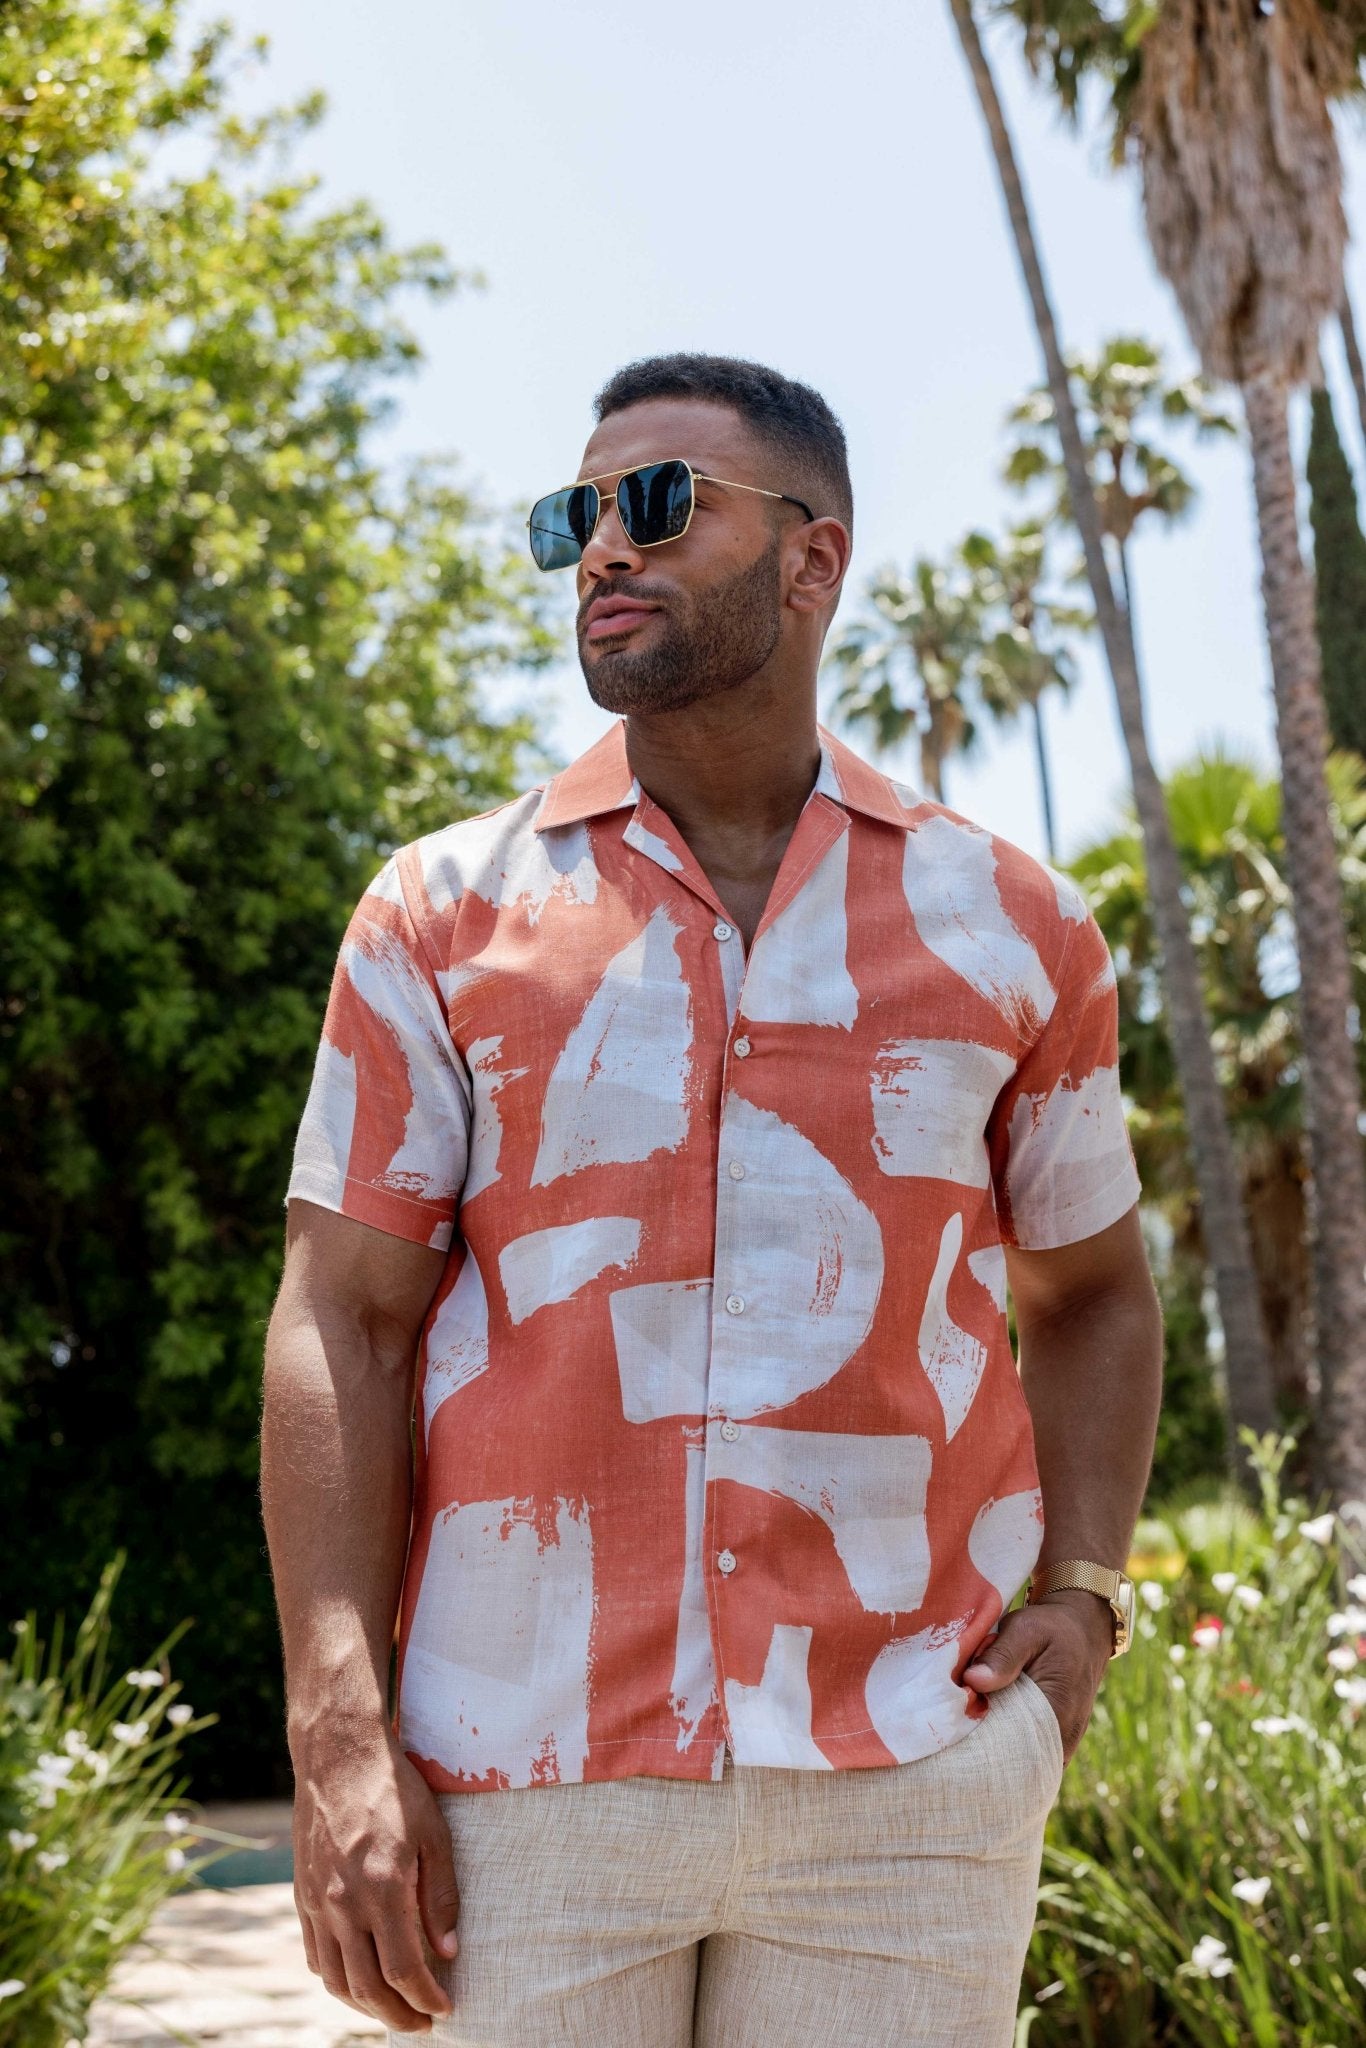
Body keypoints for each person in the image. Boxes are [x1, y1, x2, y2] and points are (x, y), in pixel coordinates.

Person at [261, 352, 1164, 2048]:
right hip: (522, 1772)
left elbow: (1095, 1292)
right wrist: (338, 1731)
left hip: (910, 1768)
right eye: (575, 518)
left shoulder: (1014, 926)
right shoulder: (439, 915)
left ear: (813, 558)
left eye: (660, 504)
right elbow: (341, 1322)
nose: (604, 547)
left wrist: (1085, 1595)